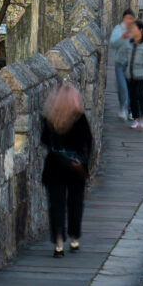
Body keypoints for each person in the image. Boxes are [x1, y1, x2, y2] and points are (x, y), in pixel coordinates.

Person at [41, 83, 95, 257]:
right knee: (75, 202)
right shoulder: (79, 117)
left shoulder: (50, 119)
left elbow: (45, 140)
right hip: (75, 167)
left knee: (56, 204)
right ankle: (74, 239)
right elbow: (88, 142)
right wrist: (82, 161)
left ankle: (58, 243)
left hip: (55, 166)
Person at [123, 19, 143, 130]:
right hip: (130, 74)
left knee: (139, 95)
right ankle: (136, 119)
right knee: (132, 97)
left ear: (141, 30)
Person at [107, 11, 137, 119]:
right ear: (124, 18)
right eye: (128, 18)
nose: (130, 20)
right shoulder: (118, 30)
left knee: (130, 88)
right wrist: (122, 38)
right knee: (122, 87)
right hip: (119, 63)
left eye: (132, 18)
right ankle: (124, 108)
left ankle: (129, 110)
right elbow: (113, 43)